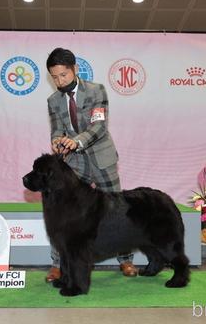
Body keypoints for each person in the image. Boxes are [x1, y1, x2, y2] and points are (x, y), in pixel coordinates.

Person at [44, 47, 137, 283]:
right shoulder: (53, 101)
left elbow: (98, 127)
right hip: (74, 164)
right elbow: (56, 130)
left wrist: (75, 141)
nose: (59, 81)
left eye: (63, 75)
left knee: (117, 210)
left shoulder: (97, 91)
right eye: (54, 77)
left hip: (102, 158)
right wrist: (57, 142)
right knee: (66, 214)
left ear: (74, 69)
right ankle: (58, 264)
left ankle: (125, 259)